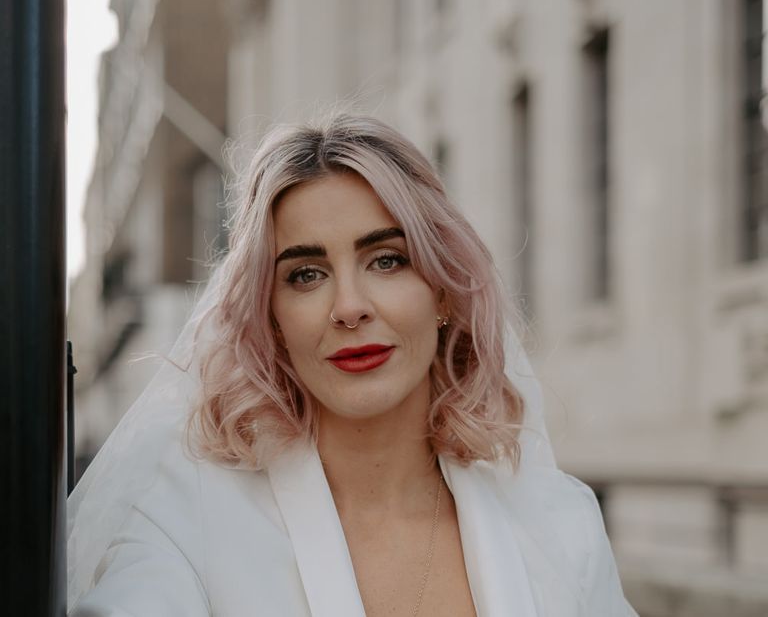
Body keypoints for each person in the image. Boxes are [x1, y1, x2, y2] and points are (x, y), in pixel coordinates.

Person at [68, 114, 637, 616]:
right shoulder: (185, 524)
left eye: (387, 260)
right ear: (271, 318)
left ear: (442, 291)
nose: (349, 308)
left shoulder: (563, 525)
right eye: (306, 275)